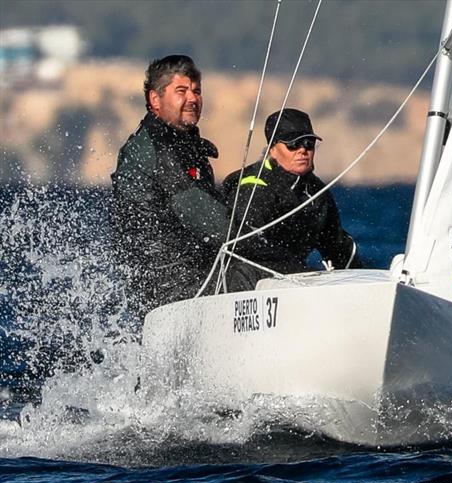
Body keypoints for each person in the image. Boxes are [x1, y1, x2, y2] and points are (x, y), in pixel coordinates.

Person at [110, 55, 231, 319]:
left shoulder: (183, 142)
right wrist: (259, 238)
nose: (193, 99)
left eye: (197, 91)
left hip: (196, 272)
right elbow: (213, 224)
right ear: (155, 99)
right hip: (168, 290)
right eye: (181, 91)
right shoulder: (156, 150)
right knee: (259, 269)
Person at [223, 108, 361, 290]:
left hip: (292, 281)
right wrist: (302, 273)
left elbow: (337, 247)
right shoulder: (254, 186)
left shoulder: (317, 193)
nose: (303, 150)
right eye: (293, 145)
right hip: (245, 282)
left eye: (308, 143)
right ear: (272, 149)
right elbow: (245, 246)